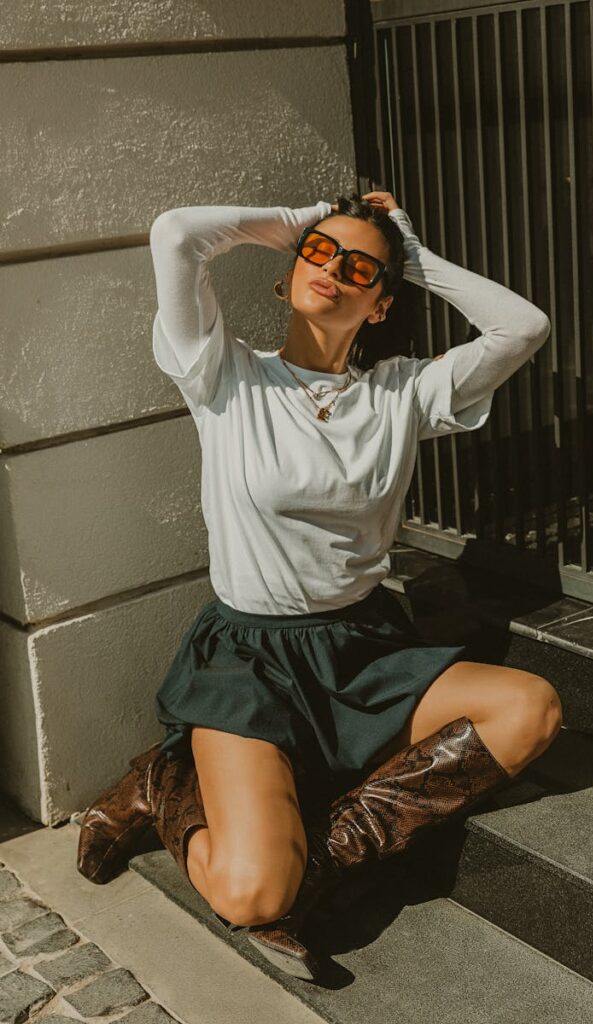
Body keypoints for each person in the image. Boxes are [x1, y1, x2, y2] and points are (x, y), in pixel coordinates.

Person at [76, 187, 562, 982]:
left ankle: (322, 860)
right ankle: (159, 781)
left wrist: (410, 252)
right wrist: (304, 221)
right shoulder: (224, 375)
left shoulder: (403, 393)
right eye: (318, 256)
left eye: (359, 268)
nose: (334, 270)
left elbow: (524, 327)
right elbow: (175, 234)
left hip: (362, 648)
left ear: (380, 304)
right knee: (250, 895)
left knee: (529, 707)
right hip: (250, 663)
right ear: (287, 273)